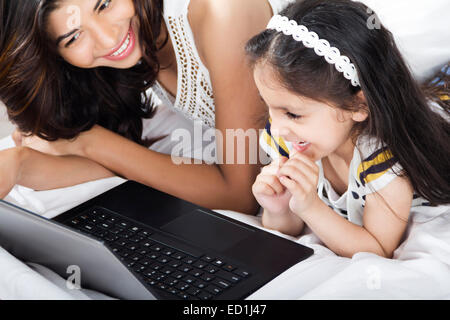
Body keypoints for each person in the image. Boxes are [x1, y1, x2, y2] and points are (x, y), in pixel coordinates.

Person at [0, 0, 290, 214]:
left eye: (103, 4)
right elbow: (122, 164)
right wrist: (19, 163)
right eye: (74, 37)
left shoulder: (223, 11)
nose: (108, 38)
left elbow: (242, 196)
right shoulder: (138, 37)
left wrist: (89, 142)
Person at [248, 0, 450, 258]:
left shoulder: (383, 163)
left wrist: (311, 207)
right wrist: (278, 208)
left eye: (293, 114)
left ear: (357, 104)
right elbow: (289, 229)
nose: (276, 129)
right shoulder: (290, 140)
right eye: (269, 107)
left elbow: (376, 249)